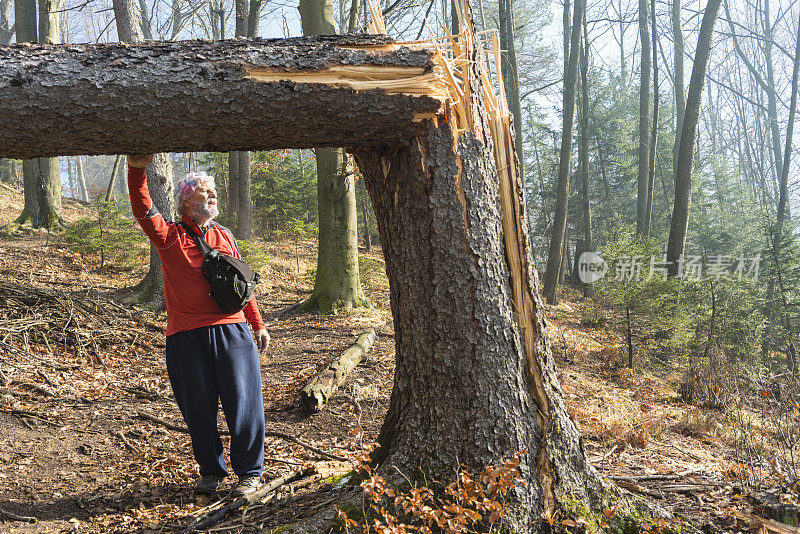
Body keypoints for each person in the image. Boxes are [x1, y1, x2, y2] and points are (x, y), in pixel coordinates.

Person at [126, 154, 269, 497]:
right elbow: (142, 207)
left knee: (244, 404)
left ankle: (249, 473)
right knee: (198, 408)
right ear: (186, 201)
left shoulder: (225, 235)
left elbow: (241, 287)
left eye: (214, 191)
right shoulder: (169, 236)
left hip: (232, 332)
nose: (213, 195)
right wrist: (137, 168)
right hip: (185, 336)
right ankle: (211, 473)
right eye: (204, 191)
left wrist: (257, 324)